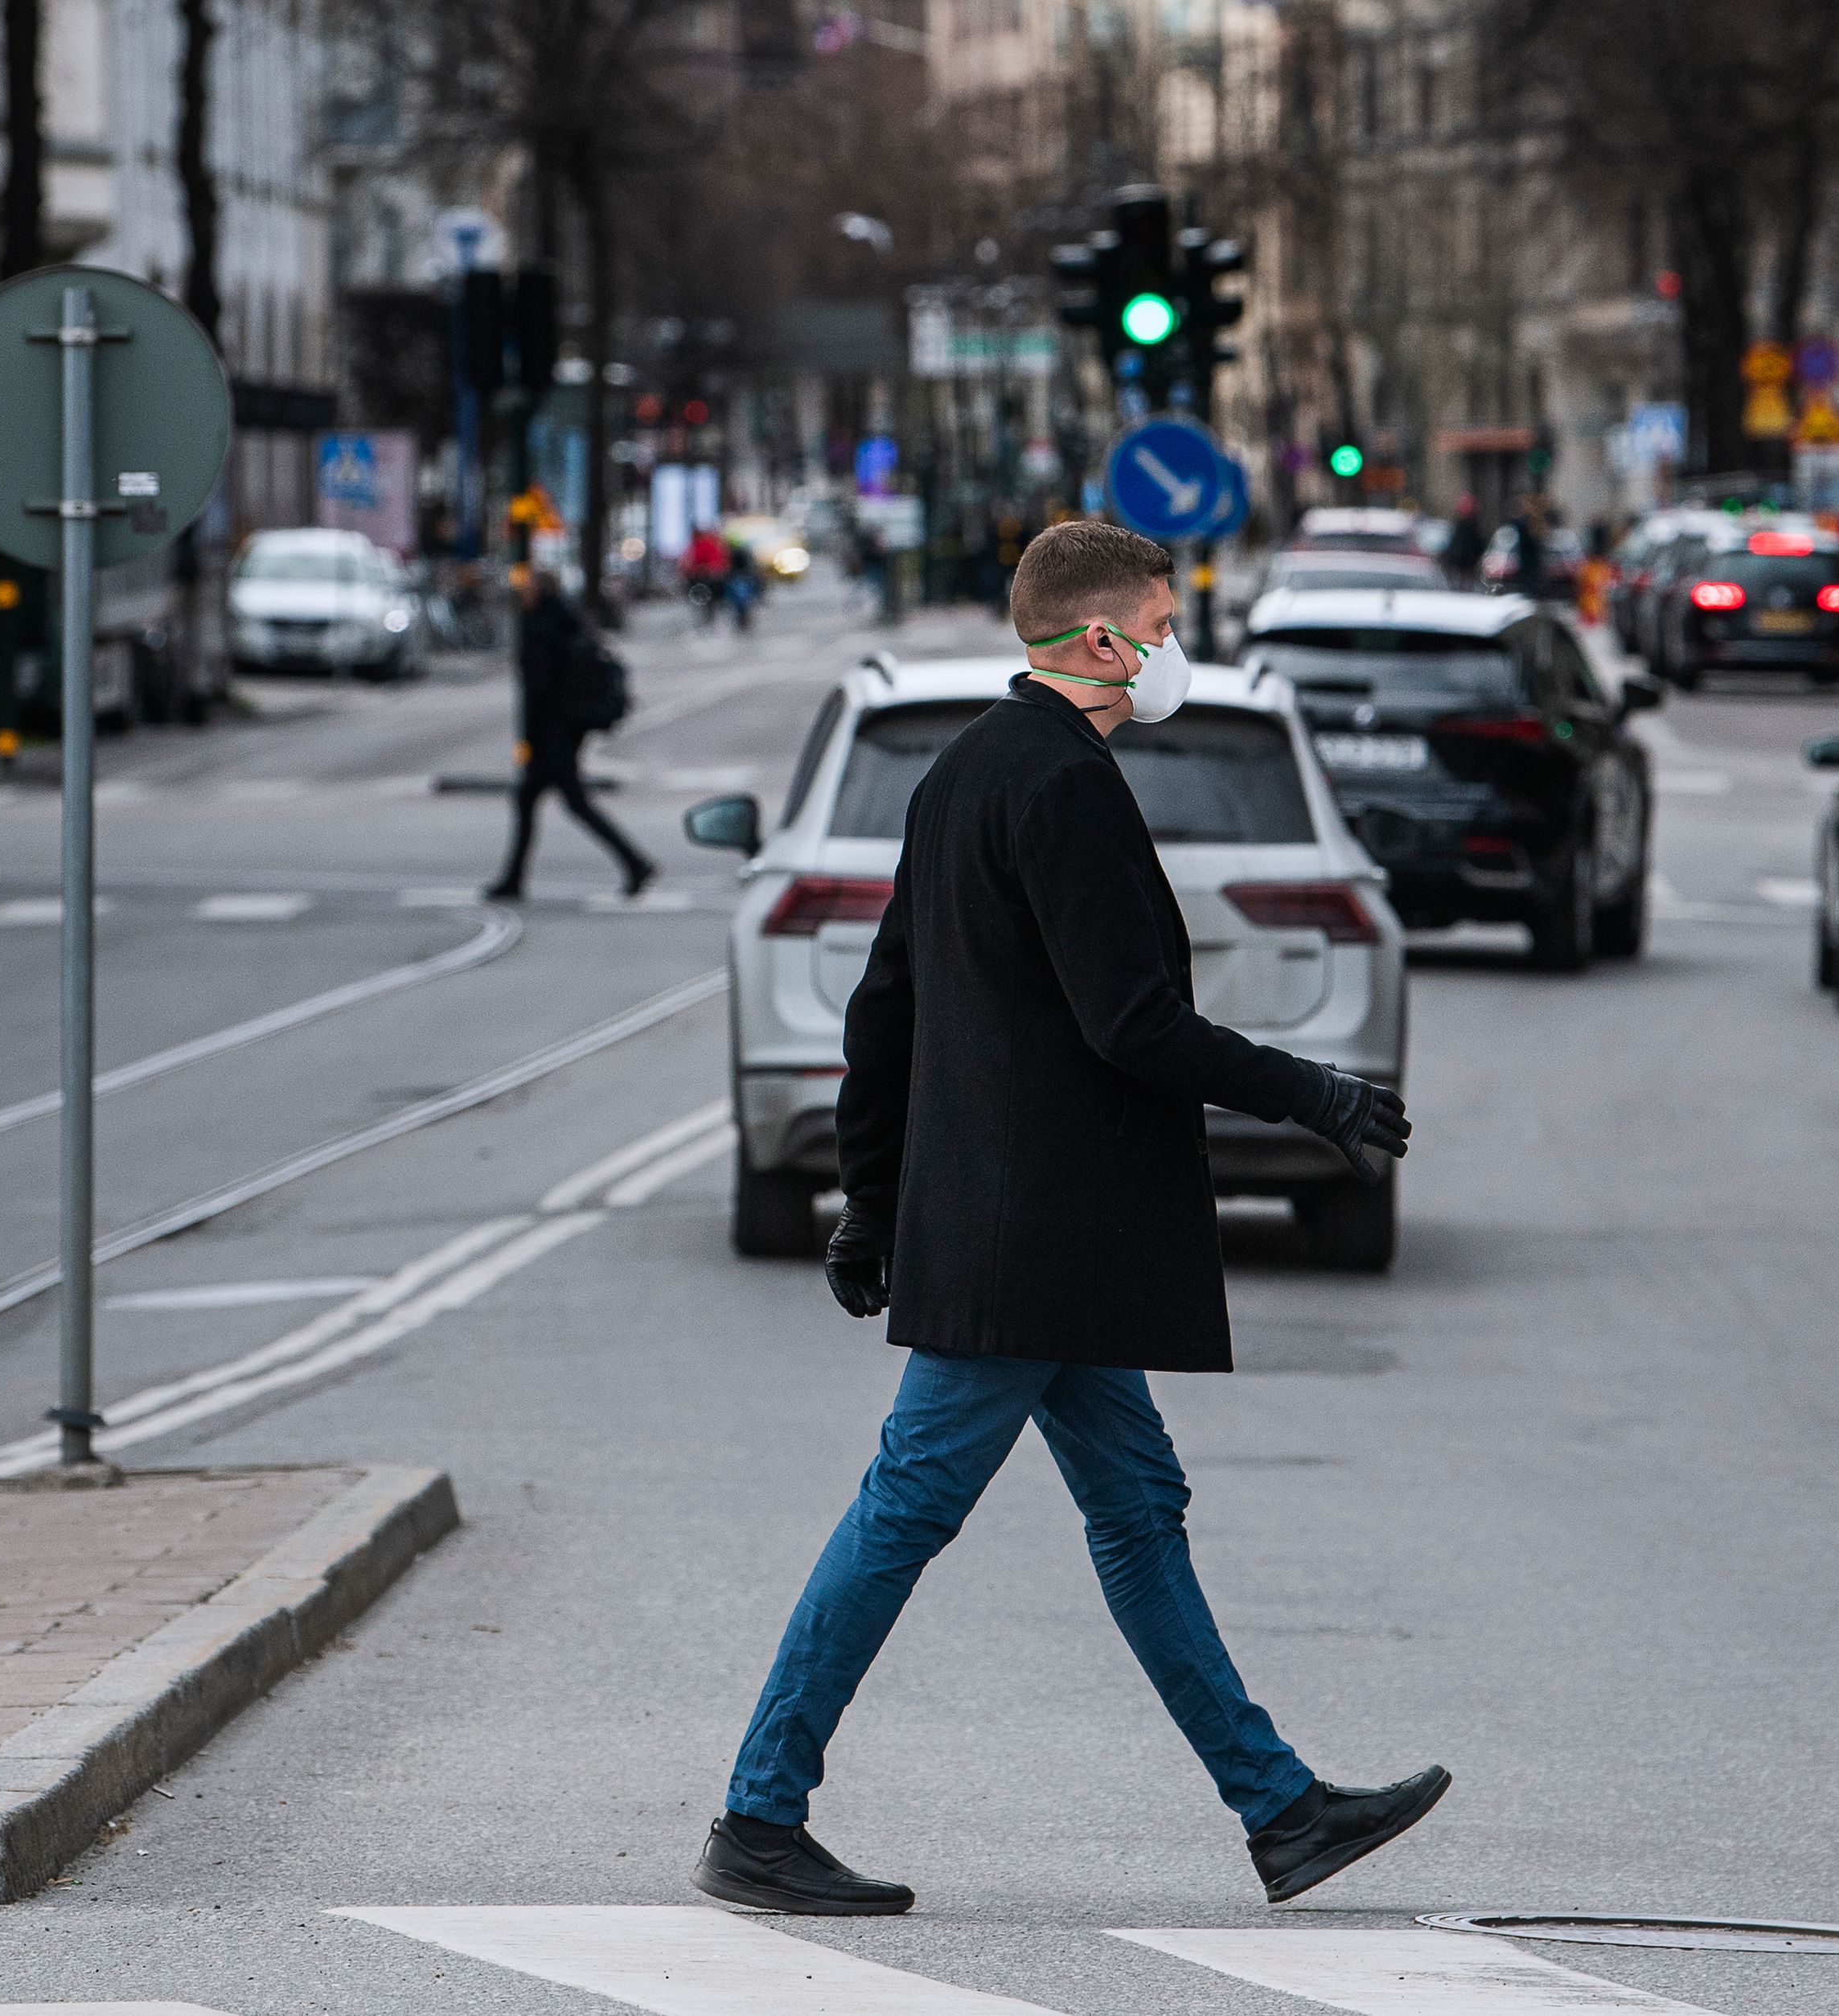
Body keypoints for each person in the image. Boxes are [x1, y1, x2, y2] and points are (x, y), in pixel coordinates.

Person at [693, 521, 1442, 1919]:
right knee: (907, 1507)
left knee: (1138, 1510)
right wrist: (1315, 1093)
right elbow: (1134, 1022)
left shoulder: (965, 769)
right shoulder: (1066, 786)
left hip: (1023, 1233)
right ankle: (758, 1812)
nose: (1175, 647)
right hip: (1033, 1237)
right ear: (1099, 639)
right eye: (1162, 623)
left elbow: (884, 1007)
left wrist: (870, 1199)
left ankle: (1280, 1809)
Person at [484, 569, 654, 902]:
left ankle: (635, 863)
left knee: (566, 803)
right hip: (569, 727)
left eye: (527, 587)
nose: (522, 593)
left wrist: (529, 740)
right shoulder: (566, 618)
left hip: (553, 732)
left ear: (538, 590)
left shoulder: (539, 627)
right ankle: (515, 878)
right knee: (537, 800)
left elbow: (537, 691)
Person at [1441, 497, 1486, 589]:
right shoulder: (1469, 528)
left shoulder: (1462, 528)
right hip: (1465, 559)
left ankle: (1461, 587)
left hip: (1464, 559)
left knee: (1462, 580)